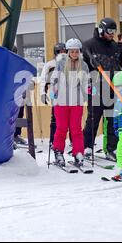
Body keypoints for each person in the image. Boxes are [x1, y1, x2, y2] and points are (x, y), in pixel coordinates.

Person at [82, 17, 122, 161]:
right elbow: (81, 68)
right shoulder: (89, 45)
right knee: (93, 118)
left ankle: (111, 148)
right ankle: (87, 147)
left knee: (111, 118)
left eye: (114, 31)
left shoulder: (114, 46)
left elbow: (118, 65)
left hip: (111, 88)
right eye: (109, 31)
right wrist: (91, 66)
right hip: (95, 87)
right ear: (102, 30)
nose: (112, 34)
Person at [50, 38, 89, 167]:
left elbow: (86, 82)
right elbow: (54, 79)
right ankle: (58, 152)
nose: (74, 54)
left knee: (76, 129)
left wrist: (89, 89)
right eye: (71, 51)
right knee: (61, 128)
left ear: (79, 52)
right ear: (67, 52)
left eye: (76, 51)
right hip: (61, 102)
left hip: (76, 102)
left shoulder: (83, 65)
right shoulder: (61, 64)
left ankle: (78, 153)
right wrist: (53, 91)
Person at [40, 42, 67, 146]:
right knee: (55, 118)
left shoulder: (71, 63)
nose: (62, 54)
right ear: (56, 53)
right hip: (55, 93)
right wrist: (43, 93)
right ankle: (53, 140)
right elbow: (43, 80)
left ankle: (72, 141)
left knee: (69, 119)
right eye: (60, 52)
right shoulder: (50, 65)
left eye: (64, 51)